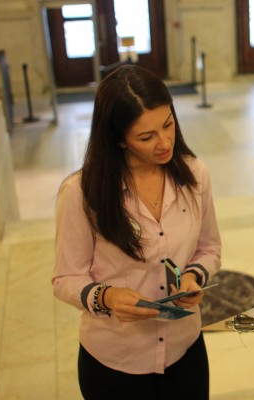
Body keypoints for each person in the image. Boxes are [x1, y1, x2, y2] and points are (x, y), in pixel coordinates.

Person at [52, 65, 221, 399]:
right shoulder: (81, 193)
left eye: (168, 124)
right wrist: (106, 297)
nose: (164, 142)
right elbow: (65, 278)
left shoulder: (194, 175)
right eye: (146, 137)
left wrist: (194, 277)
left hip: (184, 349)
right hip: (115, 361)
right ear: (117, 139)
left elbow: (209, 249)